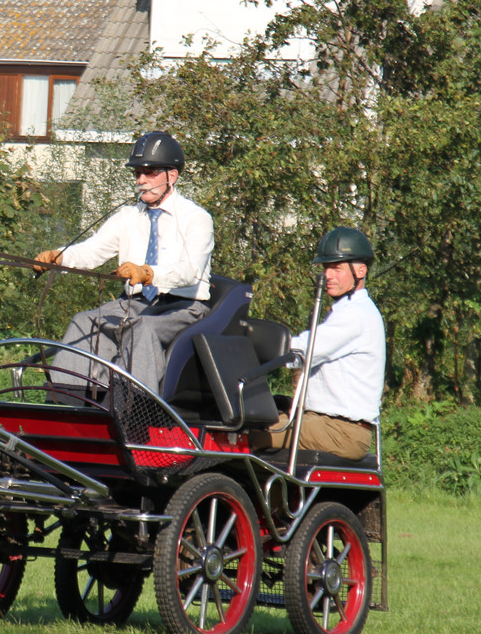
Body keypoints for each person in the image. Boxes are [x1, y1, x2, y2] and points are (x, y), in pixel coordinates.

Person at [33, 131, 214, 393]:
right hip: (134, 303)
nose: (141, 180)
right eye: (138, 173)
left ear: (172, 176)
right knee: (84, 320)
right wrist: (60, 257)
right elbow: (93, 250)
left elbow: (191, 271)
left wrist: (148, 273)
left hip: (183, 307)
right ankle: (66, 401)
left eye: (149, 173)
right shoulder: (127, 216)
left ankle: (134, 406)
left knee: (141, 328)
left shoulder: (196, 218)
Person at [256, 227, 386, 461]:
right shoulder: (347, 310)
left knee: (250, 436)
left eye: (336, 268)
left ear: (360, 270)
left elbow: (304, 349)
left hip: (341, 431)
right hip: (324, 422)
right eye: (326, 267)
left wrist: (255, 344)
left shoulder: (356, 314)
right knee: (255, 419)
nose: (328, 275)